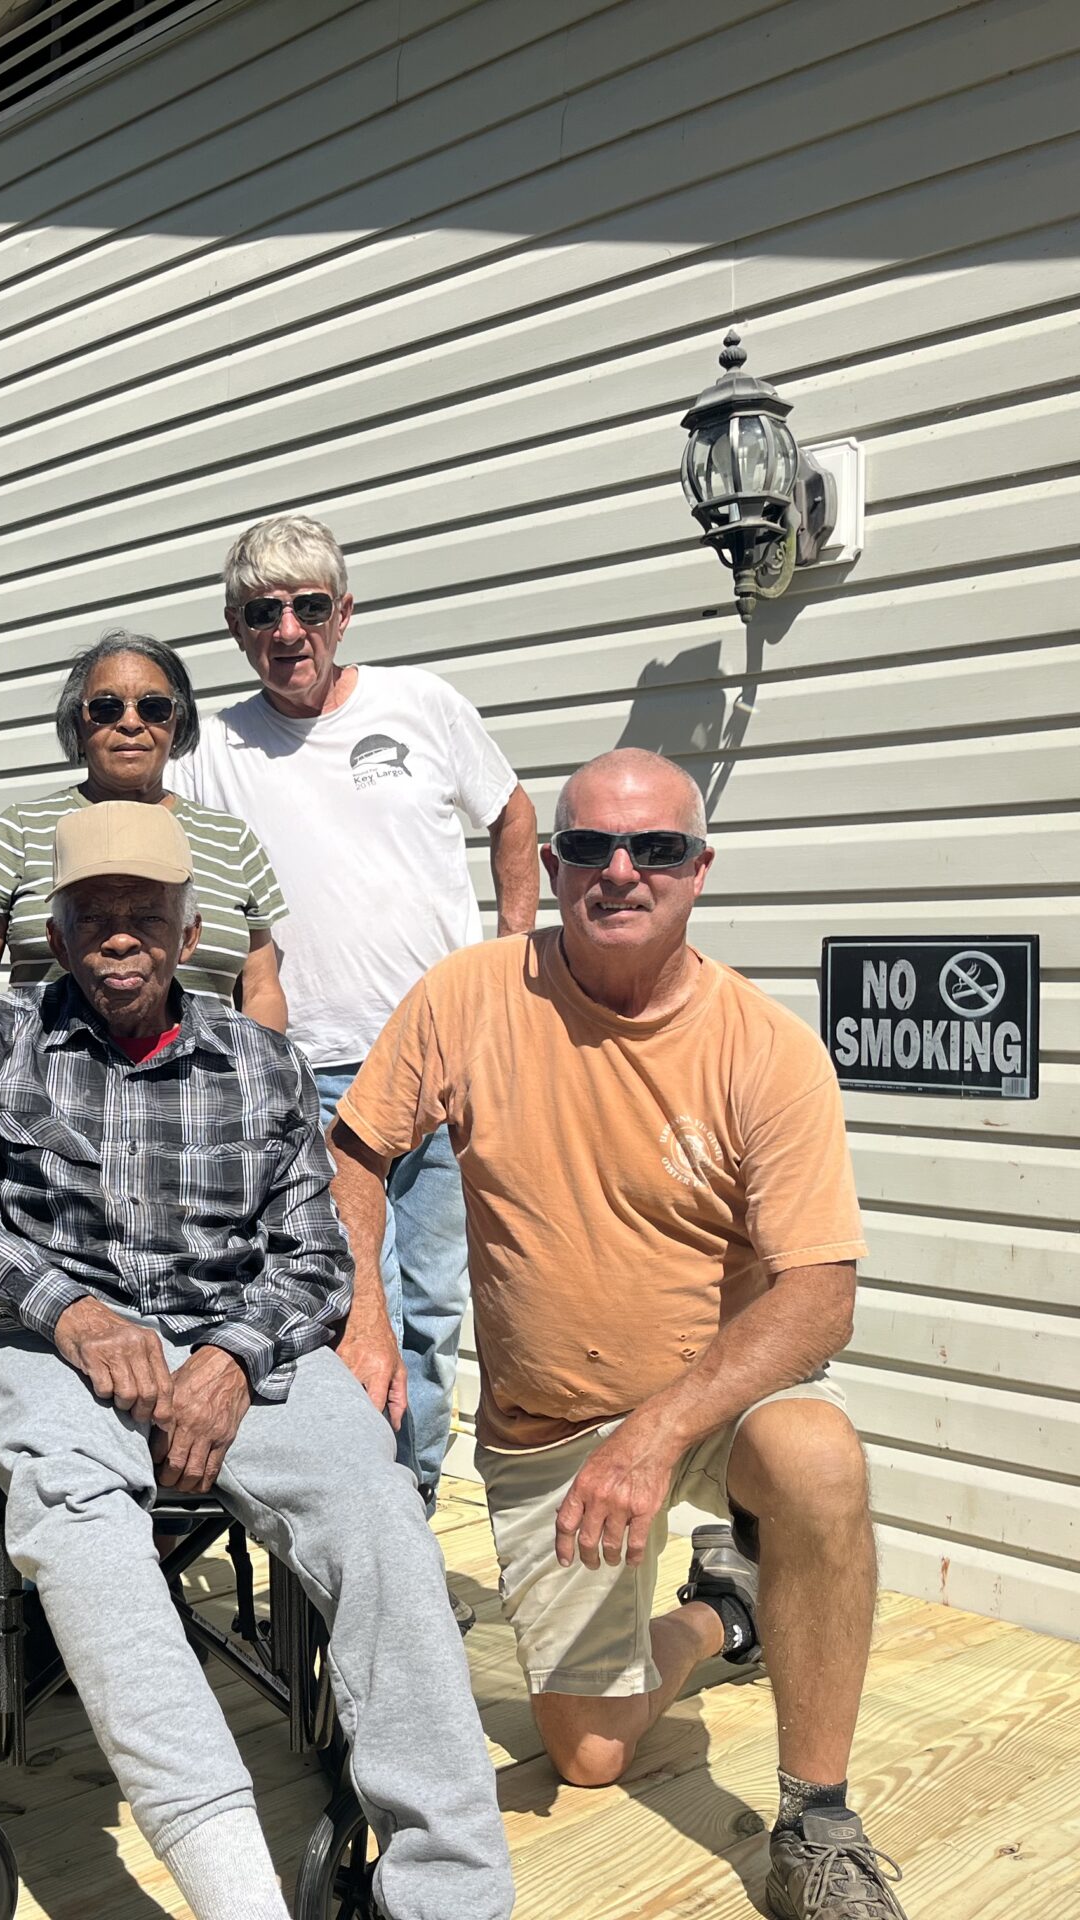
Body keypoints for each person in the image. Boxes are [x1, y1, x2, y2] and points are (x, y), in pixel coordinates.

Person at [0, 801, 512, 1920]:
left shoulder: (262, 1059)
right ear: (58, 928)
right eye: (92, 914)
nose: (117, 936)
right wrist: (68, 1310)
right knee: (77, 1517)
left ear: (187, 931)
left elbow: (316, 1256)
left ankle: (452, 1895)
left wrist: (227, 1359)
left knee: (377, 1506)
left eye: (143, 914)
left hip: (239, 1344)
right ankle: (235, 1894)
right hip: (52, 1347)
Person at [328, 748, 906, 1920]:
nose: (620, 872)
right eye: (589, 846)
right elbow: (354, 1148)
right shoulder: (470, 994)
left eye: (656, 849)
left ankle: (818, 1820)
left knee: (816, 1456)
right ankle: (720, 1611)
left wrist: (654, 1438)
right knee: (588, 1753)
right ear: (551, 865)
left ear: (700, 869)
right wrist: (366, 1319)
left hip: (710, 1404)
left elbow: (818, 1297)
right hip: (547, 1428)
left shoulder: (766, 1046)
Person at [171, 512, 538, 1505]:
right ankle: (349, 1508)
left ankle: (405, 1506)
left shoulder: (420, 705)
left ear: (344, 612)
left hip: (446, 1065)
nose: (286, 630)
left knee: (432, 1308)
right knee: (332, 1307)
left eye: (307, 607)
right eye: (261, 612)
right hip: (309, 1076)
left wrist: (509, 956)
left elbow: (511, 813)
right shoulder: (208, 748)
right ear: (235, 627)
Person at [0, 630, 289, 1029]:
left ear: (177, 722)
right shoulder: (19, 830)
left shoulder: (232, 840)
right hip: (48, 1085)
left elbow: (261, 990)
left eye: (153, 708)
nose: (130, 723)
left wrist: (263, 1075)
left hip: (205, 1088)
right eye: (106, 708)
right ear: (78, 726)